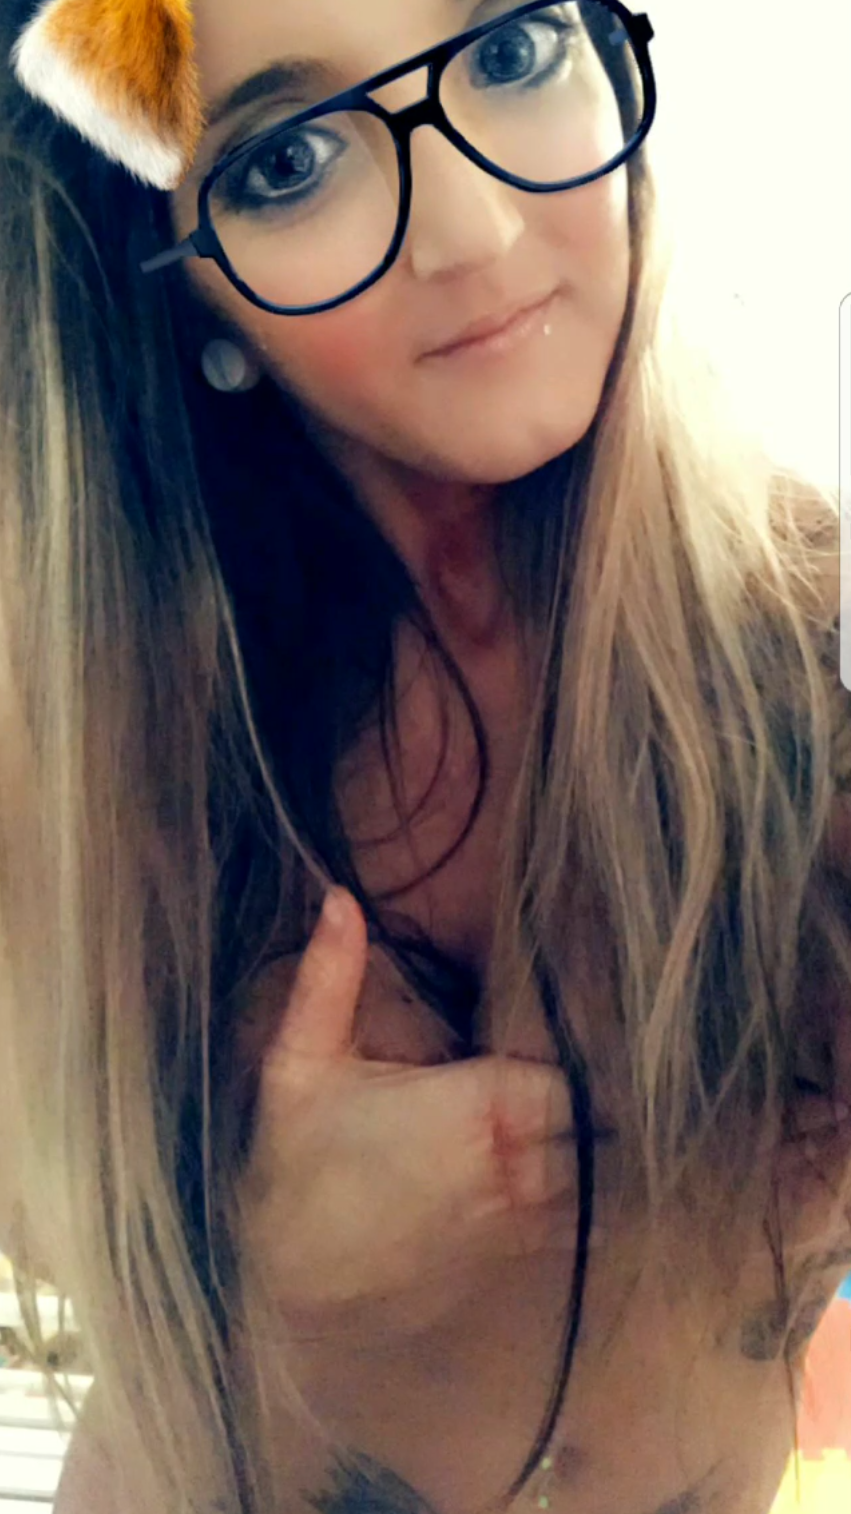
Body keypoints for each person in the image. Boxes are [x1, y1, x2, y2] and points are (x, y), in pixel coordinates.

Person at [0, 2, 849, 1512]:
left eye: (511, 49)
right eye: (287, 158)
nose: (477, 231)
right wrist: (258, 1280)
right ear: (182, 284)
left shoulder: (803, 620)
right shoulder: (75, 723)